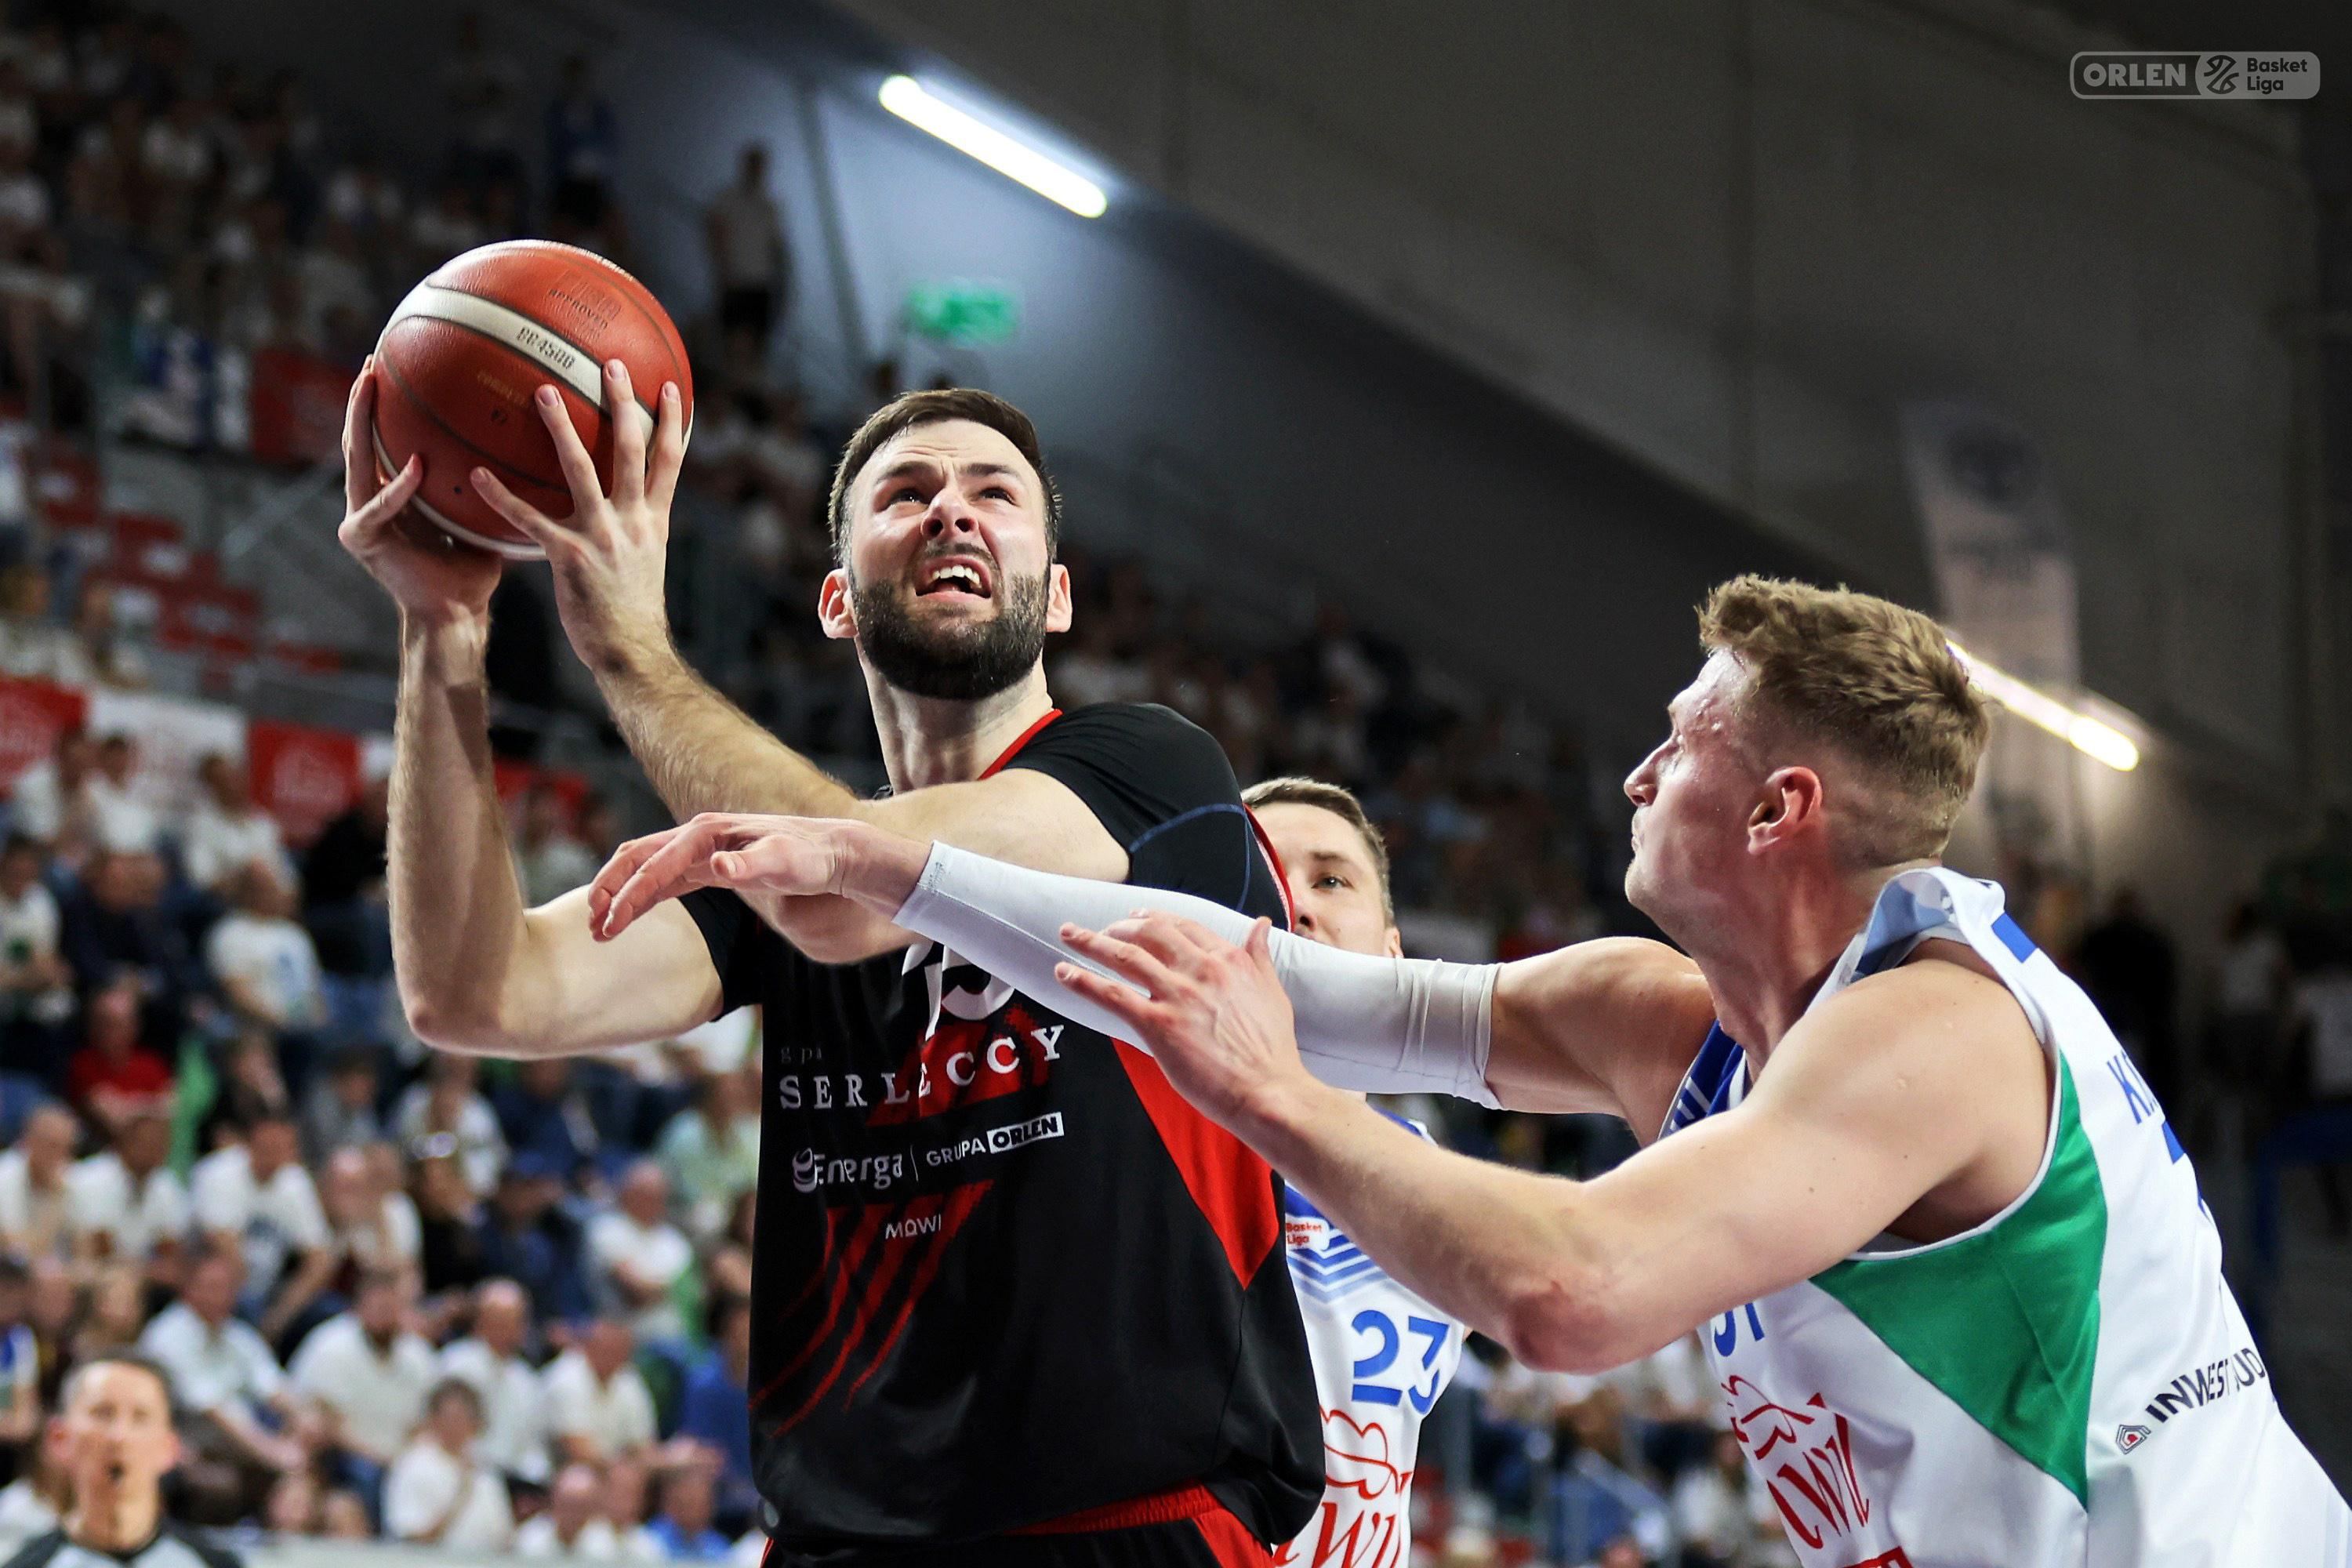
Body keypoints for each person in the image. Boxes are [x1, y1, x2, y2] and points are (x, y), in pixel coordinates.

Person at [639, 578, 2352, 1565]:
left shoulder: (1936, 1032)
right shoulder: (1668, 1021)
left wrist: (1275, 1099)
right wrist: (890, 869)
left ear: (1779, 811)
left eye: (1679, 741)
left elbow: (1569, 1294)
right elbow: (1269, 978)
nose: (1634, 774)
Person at [343, 357, 1318, 1563]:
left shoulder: (1151, 771)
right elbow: (476, 991)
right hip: (843, 1539)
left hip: (1128, 1525)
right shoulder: (788, 849)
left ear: (1057, 597)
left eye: (994, 492)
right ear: (837, 601)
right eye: (907, 493)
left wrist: (629, 651)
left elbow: (854, 894)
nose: (952, 510)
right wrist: (443, 631)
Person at [1227, 779, 1465, 1568]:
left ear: (1393, 952)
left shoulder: (1435, 1190)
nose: (1294, 905)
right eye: (1262, 875)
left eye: (1330, 879)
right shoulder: (1137, 1141)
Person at [0, 1355, 241, 1568]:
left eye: (140, 1417)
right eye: (103, 1413)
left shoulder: (216, 1564)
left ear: (170, 1448)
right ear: (60, 1438)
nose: (119, 1436)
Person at [437, 1278, 547, 1484]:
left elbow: (532, 1445)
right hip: (463, 1473)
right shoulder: (457, 1364)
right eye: (499, 1320)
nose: (508, 1330)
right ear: (480, 1322)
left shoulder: (526, 1379)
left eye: (515, 1322)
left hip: (516, 1479)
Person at [383, 1377, 513, 1551]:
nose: (456, 1425)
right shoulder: (413, 1464)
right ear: (433, 1420)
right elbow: (411, 1538)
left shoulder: (487, 1473)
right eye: (450, 1418)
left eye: (463, 1418)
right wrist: (459, 1498)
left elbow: (505, 1539)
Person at [703, 143, 786, 356]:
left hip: (761, 282)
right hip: (737, 279)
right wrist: (723, 271)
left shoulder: (769, 206)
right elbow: (715, 233)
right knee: (734, 340)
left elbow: (776, 246)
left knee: (758, 341)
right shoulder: (728, 200)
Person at [540, 1317, 655, 1468]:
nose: (612, 1356)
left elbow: (642, 1445)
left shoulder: (629, 1379)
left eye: (619, 1350)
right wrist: (625, 1468)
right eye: (606, 1349)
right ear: (588, 1346)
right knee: (580, 1480)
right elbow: (577, 1449)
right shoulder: (564, 1378)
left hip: (617, 1467)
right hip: (565, 1470)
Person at [515, 1461, 620, 1558]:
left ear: (591, 1509)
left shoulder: (604, 1543)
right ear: (554, 1504)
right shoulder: (531, 1538)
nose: (571, 1514)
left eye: (579, 1507)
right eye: (566, 1505)